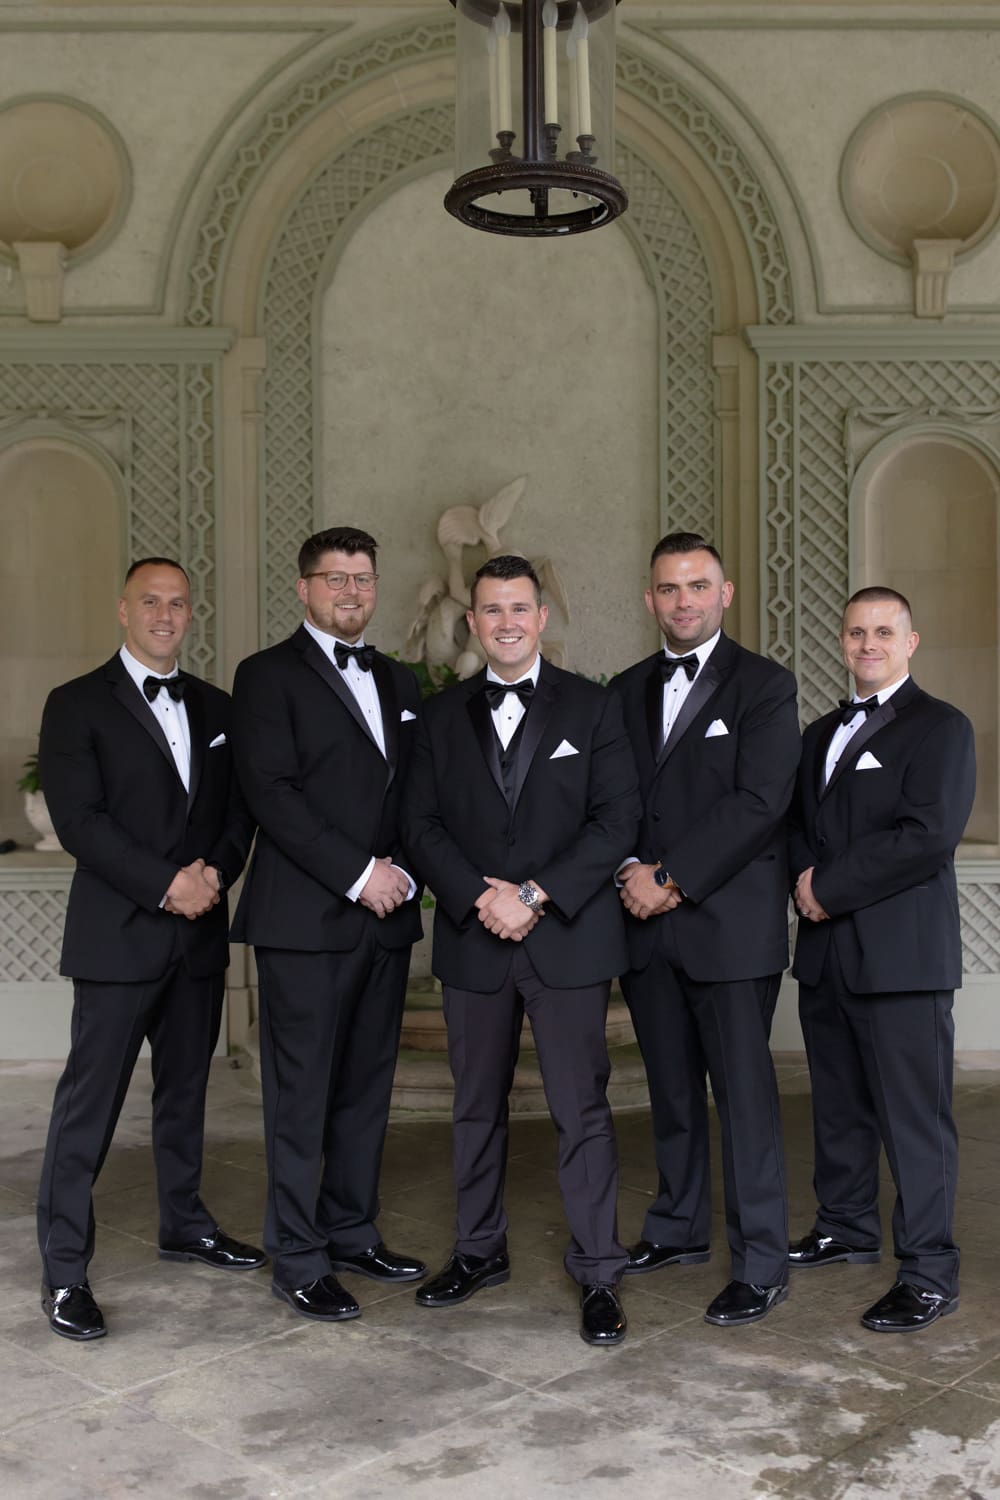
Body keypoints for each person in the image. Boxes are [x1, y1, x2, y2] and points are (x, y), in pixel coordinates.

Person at [402, 555, 641, 1346]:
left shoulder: (596, 709)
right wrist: (481, 895)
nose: (505, 622)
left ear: (543, 618)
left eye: (519, 608)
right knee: (474, 1108)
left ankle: (600, 1271)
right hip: (475, 940)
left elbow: (615, 822)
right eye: (491, 610)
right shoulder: (439, 718)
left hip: (567, 939)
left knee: (582, 1111)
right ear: (473, 622)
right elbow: (421, 825)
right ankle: (478, 1251)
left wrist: (532, 895)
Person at [36, 558, 261, 1342]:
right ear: (123, 611)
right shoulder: (74, 705)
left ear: (189, 614)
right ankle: (65, 1270)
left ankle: (185, 1222)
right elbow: (81, 823)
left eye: (177, 603)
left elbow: (240, 815)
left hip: (197, 939)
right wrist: (169, 883)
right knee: (87, 1108)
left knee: (185, 1094)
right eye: (150, 602)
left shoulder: (217, 706)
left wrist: (215, 874)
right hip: (118, 935)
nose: (165, 615)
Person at [230, 526, 426, 1322]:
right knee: (301, 1094)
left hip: (386, 918)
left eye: (363, 578)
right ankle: (299, 1255)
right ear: (304, 589)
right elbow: (272, 794)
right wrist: (358, 875)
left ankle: (351, 1228)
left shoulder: (402, 680)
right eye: (335, 578)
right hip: (305, 920)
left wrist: (404, 874)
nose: (351, 591)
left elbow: (419, 790)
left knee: (365, 1089)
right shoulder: (264, 676)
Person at [611, 531, 800, 1326]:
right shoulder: (621, 689)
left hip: (728, 926)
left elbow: (758, 806)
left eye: (697, 586)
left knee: (744, 1097)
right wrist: (628, 867)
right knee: (671, 1090)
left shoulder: (764, 686)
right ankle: (678, 1228)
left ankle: (761, 1261)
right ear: (650, 599)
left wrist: (670, 877)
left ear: (725, 594)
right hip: (645, 926)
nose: (682, 600)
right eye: (667, 588)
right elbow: (609, 793)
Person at [788, 586, 975, 1332]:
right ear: (842, 642)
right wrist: (804, 882)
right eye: (857, 633)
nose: (868, 644)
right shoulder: (817, 735)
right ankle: (845, 1226)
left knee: (914, 1121)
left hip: (903, 961)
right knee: (837, 1107)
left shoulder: (942, 728)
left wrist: (826, 888)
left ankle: (929, 1271)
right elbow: (795, 825)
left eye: (883, 632)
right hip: (827, 955)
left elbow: (926, 835)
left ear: (911, 641)